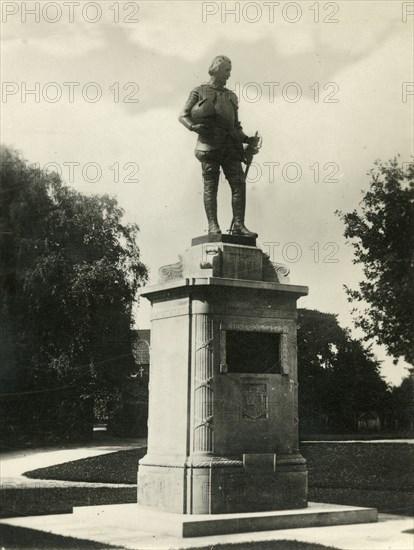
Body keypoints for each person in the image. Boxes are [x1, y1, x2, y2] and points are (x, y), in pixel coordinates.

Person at [178, 55, 259, 237]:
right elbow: (183, 115)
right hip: (209, 145)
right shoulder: (199, 90)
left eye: (230, 71)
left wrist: (247, 140)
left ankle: (239, 225)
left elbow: (235, 126)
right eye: (226, 71)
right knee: (210, 186)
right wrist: (193, 126)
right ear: (216, 69)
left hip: (231, 146)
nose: (228, 75)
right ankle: (213, 225)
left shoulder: (232, 96)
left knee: (239, 184)